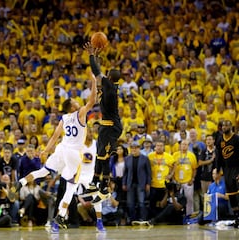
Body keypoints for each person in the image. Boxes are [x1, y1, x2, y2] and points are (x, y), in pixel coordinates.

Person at [15, 70, 97, 234]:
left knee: (43, 171)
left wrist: (45, 151)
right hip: (73, 153)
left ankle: (21, 182)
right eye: (74, 101)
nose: (77, 101)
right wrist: (94, 80)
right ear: (73, 106)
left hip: (61, 149)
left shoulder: (64, 118)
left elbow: (54, 137)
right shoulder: (80, 114)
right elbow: (93, 99)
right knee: (71, 187)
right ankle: (60, 216)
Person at [84, 42, 122, 204]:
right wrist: (98, 57)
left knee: (104, 157)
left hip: (111, 126)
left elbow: (96, 72)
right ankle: (94, 183)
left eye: (106, 75)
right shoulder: (110, 86)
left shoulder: (110, 86)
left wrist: (92, 55)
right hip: (106, 125)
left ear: (109, 78)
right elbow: (99, 74)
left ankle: (104, 188)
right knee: (100, 155)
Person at [216, 120, 239, 228]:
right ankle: (237, 218)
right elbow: (219, 157)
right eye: (223, 125)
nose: (224, 127)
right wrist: (217, 172)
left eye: (226, 125)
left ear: (231, 126)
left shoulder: (236, 139)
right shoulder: (220, 139)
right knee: (232, 196)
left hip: (236, 169)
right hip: (226, 171)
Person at [122, 141, 151, 224]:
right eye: (132, 148)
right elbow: (125, 172)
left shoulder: (145, 158)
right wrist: (124, 183)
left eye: (136, 148)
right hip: (130, 183)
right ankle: (132, 219)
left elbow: (149, 172)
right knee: (130, 203)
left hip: (141, 183)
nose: (134, 149)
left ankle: (142, 219)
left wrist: (148, 183)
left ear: (139, 148)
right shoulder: (127, 158)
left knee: (141, 202)